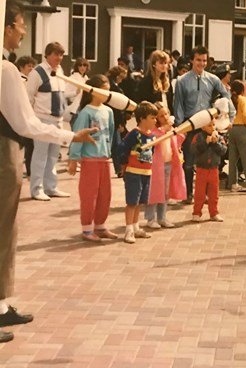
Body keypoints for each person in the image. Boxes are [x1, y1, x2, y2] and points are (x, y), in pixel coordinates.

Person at [0, 0, 97, 344]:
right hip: (5, 152)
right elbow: (26, 122)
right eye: (21, 24)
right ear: (8, 27)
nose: (24, 31)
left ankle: (1, 305)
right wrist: (72, 136)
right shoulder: (7, 70)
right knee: (2, 230)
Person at [174, 45, 235, 204]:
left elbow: (226, 97)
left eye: (204, 60)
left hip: (208, 125)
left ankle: (207, 195)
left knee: (208, 161)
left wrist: (230, 118)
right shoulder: (182, 81)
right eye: (198, 60)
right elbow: (178, 104)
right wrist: (181, 128)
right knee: (188, 162)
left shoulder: (213, 79)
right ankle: (188, 194)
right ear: (192, 60)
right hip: (190, 124)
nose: (201, 63)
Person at [68, 75, 117, 242]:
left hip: (104, 159)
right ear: (93, 91)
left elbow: (110, 133)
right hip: (90, 161)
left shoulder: (109, 111)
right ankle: (87, 228)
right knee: (89, 195)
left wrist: (110, 153)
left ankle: (100, 225)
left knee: (105, 195)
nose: (107, 92)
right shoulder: (85, 113)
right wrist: (73, 159)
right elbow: (77, 136)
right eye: (104, 89)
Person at [26, 41, 70, 201]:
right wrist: (31, 120)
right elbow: (28, 97)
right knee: (40, 155)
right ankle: (36, 189)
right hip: (42, 119)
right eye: (56, 54)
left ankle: (50, 187)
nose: (59, 58)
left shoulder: (60, 71)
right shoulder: (37, 72)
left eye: (61, 55)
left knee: (53, 155)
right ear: (47, 55)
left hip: (57, 120)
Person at [119, 101, 158, 244]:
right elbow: (122, 149)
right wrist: (124, 166)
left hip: (146, 172)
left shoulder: (152, 136)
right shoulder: (134, 134)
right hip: (133, 172)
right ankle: (128, 230)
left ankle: (136, 227)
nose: (155, 120)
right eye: (152, 117)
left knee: (140, 201)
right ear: (142, 118)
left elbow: (151, 152)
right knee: (131, 202)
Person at [144, 102, 186, 229]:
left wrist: (177, 132)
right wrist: (164, 130)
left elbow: (178, 141)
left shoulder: (170, 129)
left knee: (165, 192)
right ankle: (150, 218)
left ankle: (162, 217)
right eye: (161, 115)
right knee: (153, 191)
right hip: (156, 166)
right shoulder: (154, 130)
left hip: (169, 163)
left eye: (166, 113)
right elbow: (153, 138)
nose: (165, 117)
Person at [191, 121, 227, 222]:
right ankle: (196, 213)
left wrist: (215, 144)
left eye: (214, 125)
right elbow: (193, 150)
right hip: (201, 169)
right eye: (209, 125)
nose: (212, 127)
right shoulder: (198, 137)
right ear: (203, 127)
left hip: (214, 169)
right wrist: (205, 143)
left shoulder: (219, 137)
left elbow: (224, 150)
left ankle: (214, 213)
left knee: (214, 193)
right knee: (199, 193)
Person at [15, 55, 37, 178]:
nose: (31, 68)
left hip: (30, 117)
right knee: (25, 146)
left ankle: (30, 171)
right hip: (20, 117)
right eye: (29, 66)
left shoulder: (30, 80)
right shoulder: (19, 80)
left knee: (30, 146)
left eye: (33, 66)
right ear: (21, 67)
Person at [106, 65, 128, 177]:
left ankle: (119, 168)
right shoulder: (116, 89)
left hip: (110, 118)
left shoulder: (109, 85)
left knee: (114, 145)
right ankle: (119, 169)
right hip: (115, 120)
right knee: (116, 145)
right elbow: (118, 108)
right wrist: (121, 123)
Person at [64, 57, 90, 124]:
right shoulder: (73, 78)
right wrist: (75, 92)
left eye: (84, 65)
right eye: (80, 65)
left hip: (84, 107)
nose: (82, 67)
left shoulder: (86, 79)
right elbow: (64, 94)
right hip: (75, 109)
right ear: (77, 67)